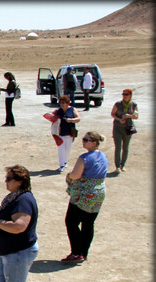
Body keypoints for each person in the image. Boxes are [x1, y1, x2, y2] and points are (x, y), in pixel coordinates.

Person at [62, 131, 108, 264]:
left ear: (94, 142)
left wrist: (69, 176)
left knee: (71, 222)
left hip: (83, 194)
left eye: (86, 140)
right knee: (88, 224)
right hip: (99, 193)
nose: (83, 141)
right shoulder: (103, 156)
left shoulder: (84, 158)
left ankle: (76, 252)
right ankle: (84, 252)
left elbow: (76, 175)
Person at [110, 89, 139, 172]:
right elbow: (112, 113)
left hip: (128, 128)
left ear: (130, 95)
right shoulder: (118, 104)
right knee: (118, 147)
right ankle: (117, 166)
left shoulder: (133, 105)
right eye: (123, 94)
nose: (124, 96)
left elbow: (136, 116)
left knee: (125, 148)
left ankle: (123, 165)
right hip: (117, 128)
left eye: (126, 94)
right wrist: (119, 119)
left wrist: (128, 116)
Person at [53, 95, 81, 172]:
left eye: (63, 102)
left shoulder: (72, 109)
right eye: (60, 102)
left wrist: (71, 120)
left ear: (67, 103)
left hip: (70, 133)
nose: (61, 104)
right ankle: (61, 164)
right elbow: (53, 117)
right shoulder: (58, 110)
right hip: (60, 133)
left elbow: (78, 119)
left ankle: (65, 162)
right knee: (61, 149)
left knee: (68, 149)